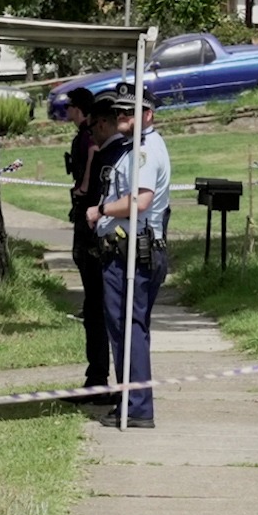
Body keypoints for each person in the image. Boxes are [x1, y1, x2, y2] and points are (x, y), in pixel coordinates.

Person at [84, 92, 171, 428]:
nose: (122, 115)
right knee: (124, 330)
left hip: (132, 252)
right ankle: (129, 400)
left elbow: (141, 200)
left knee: (129, 330)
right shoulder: (134, 147)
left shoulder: (145, 152)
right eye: (119, 110)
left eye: (130, 111)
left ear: (148, 114)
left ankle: (136, 407)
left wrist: (101, 209)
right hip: (127, 249)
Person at [63, 87, 110, 394]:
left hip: (91, 224)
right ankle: (96, 377)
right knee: (93, 305)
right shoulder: (86, 135)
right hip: (88, 220)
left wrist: (83, 186)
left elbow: (92, 154)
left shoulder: (87, 136)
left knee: (96, 306)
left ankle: (98, 379)